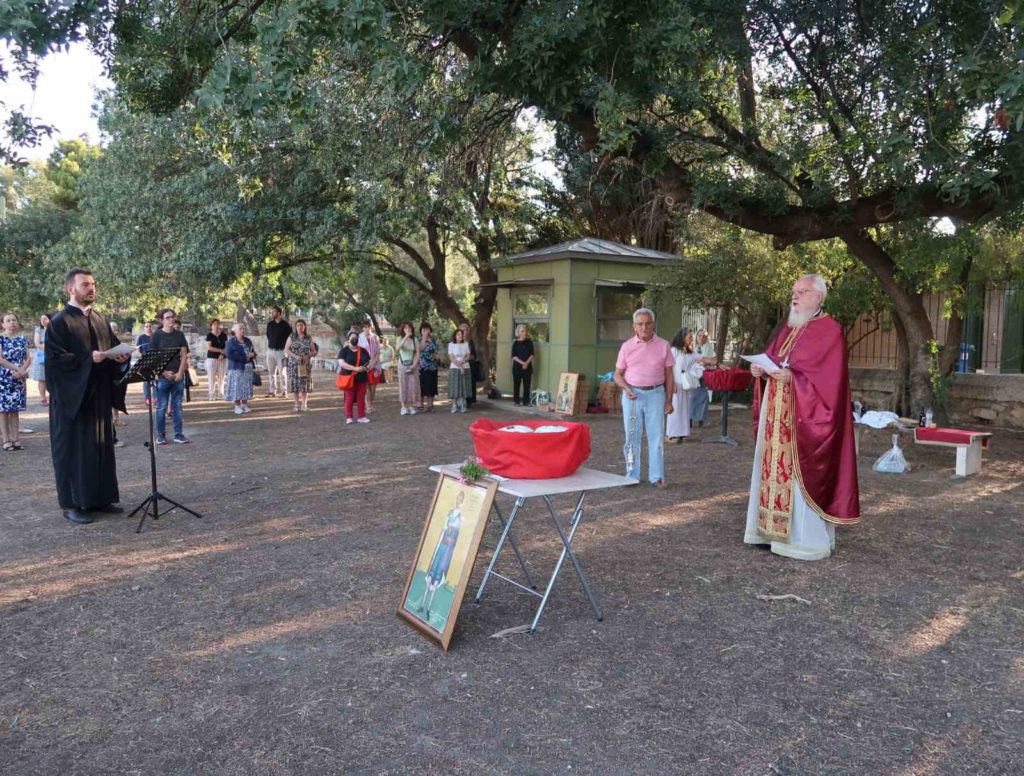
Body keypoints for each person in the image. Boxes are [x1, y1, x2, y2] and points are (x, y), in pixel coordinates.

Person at [744, 274, 860, 561]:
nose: (794, 297)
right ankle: (768, 532)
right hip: (777, 419)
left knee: (797, 476)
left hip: (803, 424)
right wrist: (759, 372)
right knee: (770, 471)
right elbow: (773, 359)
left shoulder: (830, 331)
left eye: (802, 292)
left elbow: (830, 383)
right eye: (794, 291)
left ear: (818, 297)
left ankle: (802, 541)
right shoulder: (789, 327)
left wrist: (792, 379)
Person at [45, 268, 130, 525]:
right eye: (85, 285)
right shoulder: (59, 323)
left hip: (99, 397)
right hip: (72, 401)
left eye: (93, 284)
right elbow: (55, 361)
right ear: (70, 289)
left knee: (100, 448)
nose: (91, 288)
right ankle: (71, 503)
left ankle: (100, 498)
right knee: (72, 452)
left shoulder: (100, 319)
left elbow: (111, 351)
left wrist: (121, 359)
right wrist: (86, 359)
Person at [613, 308, 674, 488]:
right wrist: (626, 388)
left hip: (656, 395)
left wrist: (669, 400)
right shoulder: (626, 347)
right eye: (640, 324)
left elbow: (669, 375)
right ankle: (632, 475)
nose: (644, 327)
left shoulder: (664, 345)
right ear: (634, 326)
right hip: (633, 397)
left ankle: (656, 477)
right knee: (632, 438)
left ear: (653, 324)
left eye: (647, 323)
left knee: (656, 437)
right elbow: (617, 374)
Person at [415, 490, 464, 618]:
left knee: (438, 574)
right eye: (458, 498)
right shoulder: (451, 513)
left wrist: (450, 533)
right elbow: (444, 528)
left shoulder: (459, 517)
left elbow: (454, 534)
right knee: (432, 572)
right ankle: (422, 606)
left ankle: (429, 609)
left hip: (447, 548)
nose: (458, 501)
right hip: (441, 545)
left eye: (461, 499)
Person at [666, 327, 716, 443]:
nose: (691, 339)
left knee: (684, 410)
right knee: (675, 410)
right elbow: (668, 369)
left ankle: (682, 433)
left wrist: (715, 362)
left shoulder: (690, 353)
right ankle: (671, 434)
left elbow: (702, 358)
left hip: (685, 385)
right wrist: (671, 383)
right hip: (675, 385)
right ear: (683, 338)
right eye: (689, 337)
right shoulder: (674, 351)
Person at [151, 308, 190, 445]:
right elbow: (152, 359)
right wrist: (163, 372)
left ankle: (178, 434)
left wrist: (180, 373)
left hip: (177, 375)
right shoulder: (156, 336)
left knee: (178, 406)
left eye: (172, 317)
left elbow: (184, 355)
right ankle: (161, 435)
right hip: (163, 377)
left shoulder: (179, 335)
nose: (171, 320)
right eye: (167, 318)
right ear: (162, 320)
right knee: (161, 406)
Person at [1, 312, 32, 451]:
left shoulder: (22, 339)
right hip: (4, 378)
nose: (12, 322)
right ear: (2, 324)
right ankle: (6, 440)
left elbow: (28, 358)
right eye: (8, 320)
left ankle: (16, 439)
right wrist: (17, 369)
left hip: (19, 378)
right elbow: (0, 359)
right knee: (3, 411)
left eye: (14, 320)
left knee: (15, 411)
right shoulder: (1, 339)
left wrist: (21, 371)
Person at [338, 330, 373, 424]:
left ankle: (361, 416)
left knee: (361, 397)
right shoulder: (344, 350)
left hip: (361, 378)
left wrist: (366, 368)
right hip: (349, 378)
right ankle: (349, 417)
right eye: (352, 337)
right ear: (349, 338)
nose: (354, 339)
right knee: (349, 397)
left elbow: (369, 362)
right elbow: (341, 363)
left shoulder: (363, 350)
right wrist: (355, 368)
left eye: (356, 337)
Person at [285, 318, 318, 412]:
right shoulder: (292, 337)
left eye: (302, 325)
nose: (300, 327)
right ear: (296, 327)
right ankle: (296, 405)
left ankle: (304, 404)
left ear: (305, 327)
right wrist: (295, 356)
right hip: (294, 364)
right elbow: (286, 349)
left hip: (305, 365)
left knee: (304, 384)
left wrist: (307, 356)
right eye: (298, 325)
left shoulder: (308, 338)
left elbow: (313, 350)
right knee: (295, 384)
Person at [225, 323, 256, 414]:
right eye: (240, 329)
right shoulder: (231, 342)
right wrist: (246, 356)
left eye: (243, 328)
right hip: (236, 368)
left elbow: (253, 351)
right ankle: (237, 406)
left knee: (246, 386)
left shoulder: (248, 341)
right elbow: (230, 355)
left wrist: (253, 355)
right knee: (237, 387)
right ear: (235, 331)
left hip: (247, 368)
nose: (243, 330)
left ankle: (244, 405)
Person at [264, 306, 292, 398]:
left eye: (274, 312)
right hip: (270, 351)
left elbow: (290, 338)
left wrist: (286, 350)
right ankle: (272, 391)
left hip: (281, 352)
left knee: (282, 372)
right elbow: (268, 336)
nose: (272, 314)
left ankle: (284, 391)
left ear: (280, 313)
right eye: (272, 312)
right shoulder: (270, 324)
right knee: (271, 372)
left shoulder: (286, 325)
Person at [395, 322, 420, 415]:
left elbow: (417, 353)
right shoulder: (400, 338)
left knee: (412, 386)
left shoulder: (415, 340)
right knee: (403, 385)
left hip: (412, 364)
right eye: (405, 328)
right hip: (402, 364)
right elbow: (397, 348)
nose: (408, 329)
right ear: (403, 330)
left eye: (409, 327)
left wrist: (414, 365)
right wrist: (405, 337)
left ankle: (411, 406)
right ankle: (403, 407)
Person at [691, 328, 714, 427]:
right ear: (696, 337)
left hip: (704, 375)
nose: (701, 338)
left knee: (703, 398)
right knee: (692, 398)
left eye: (703, 336)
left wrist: (704, 362)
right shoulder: (692, 347)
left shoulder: (709, 347)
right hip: (693, 376)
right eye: (699, 336)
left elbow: (712, 360)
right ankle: (690, 419)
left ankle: (701, 420)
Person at [359, 320, 382, 413]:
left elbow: (378, 352)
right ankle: (367, 405)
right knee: (366, 387)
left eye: (368, 327)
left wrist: (373, 363)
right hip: (364, 365)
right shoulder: (359, 337)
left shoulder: (375, 337)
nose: (367, 329)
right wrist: (367, 365)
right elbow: (359, 351)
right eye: (365, 327)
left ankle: (371, 404)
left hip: (375, 365)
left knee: (373, 387)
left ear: (371, 328)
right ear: (362, 328)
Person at [447, 328, 472, 414]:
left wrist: (463, 362)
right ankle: (454, 405)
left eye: (461, 334)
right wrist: (458, 364)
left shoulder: (466, 344)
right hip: (454, 368)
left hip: (465, 367)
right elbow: (451, 357)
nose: (460, 336)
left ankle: (463, 405)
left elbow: (468, 356)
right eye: (458, 334)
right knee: (455, 386)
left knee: (463, 385)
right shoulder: (451, 344)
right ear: (455, 335)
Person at [417, 322, 440, 413]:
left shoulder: (434, 340)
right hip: (422, 366)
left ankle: (430, 405)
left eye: (427, 329)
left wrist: (435, 356)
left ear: (430, 330)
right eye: (423, 330)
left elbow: (437, 350)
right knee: (421, 385)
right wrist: (423, 339)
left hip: (432, 366)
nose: (425, 331)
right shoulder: (418, 340)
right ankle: (420, 405)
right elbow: (419, 350)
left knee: (431, 385)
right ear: (421, 331)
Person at [511, 324, 535, 406]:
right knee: (516, 385)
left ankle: (526, 401)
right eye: (522, 331)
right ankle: (516, 401)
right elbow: (514, 357)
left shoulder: (529, 342)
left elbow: (532, 355)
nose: (525, 332)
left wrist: (527, 363)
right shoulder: (515, 343)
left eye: (525, 331)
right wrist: (523, 363)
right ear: (518, 333)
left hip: (527, 367)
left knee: (527, 385)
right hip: (517, 368)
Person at [204, 319, 228, 400]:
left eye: (217, 324)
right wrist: (220, 350)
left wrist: (222, 353)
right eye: (214, 324)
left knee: (222, 377)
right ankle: (212, 395)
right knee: (211, 377)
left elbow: (226, 346)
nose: (216, 325)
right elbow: (209, 347)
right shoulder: (209, 335)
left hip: (222, 358)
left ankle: (221, 394)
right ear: (211, 326)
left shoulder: (223, 335)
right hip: (212, 358)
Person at [458, 322, 478, 407]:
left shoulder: (470, 342)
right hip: (459, 365)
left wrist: (468, 357)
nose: (464, 332)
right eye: (462, 330)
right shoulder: (457, 341)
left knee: (469, 383)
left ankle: (468, 401)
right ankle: (460, 401)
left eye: (465, 330)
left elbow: (474, 355)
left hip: (469, 365)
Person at [135, 321, 155, 405]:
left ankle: (155, 398)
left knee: (155, 380)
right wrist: (142, 357)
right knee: (146, 381)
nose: (148, 328)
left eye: (150, 326)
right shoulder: (141, 337)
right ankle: (147, 398)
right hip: (144, 361)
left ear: (152, 327)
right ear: (144, 328)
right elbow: (137, 350)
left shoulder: (155, 337)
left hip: (154, 361)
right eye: (146, 326)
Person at [32, 314, 50, 406]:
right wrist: (50, 348)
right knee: (42, 379)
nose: (43, 320)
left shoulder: (54, 329)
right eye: (41, 319)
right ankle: (43, 398)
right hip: (41, 357)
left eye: (45, 318)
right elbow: (37, 344)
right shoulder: (38, 330)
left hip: (53, 357)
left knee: (52, 377)